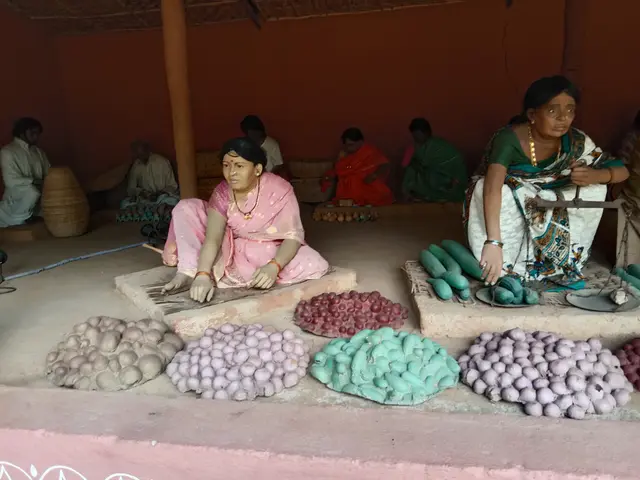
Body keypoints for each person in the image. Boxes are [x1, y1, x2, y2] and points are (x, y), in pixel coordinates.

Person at [464, 75, 629, 287]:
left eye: (570, 110)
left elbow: (621, 171)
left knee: (595, 188)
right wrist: (493, 242)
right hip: (511, 198)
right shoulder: (509, 139)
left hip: (550, 196)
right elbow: (492, 188)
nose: (563, 118)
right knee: (488, 189)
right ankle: (508, 262)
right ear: (532, 114)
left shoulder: (577, 141)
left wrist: (595, 175)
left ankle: (563, 262)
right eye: (553, 111)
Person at [161, 137, 329, 303]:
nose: (231, 173)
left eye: (239, 166)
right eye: (226, 166)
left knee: (311, 261)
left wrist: (274, 266)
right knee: (186, 207)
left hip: (266, 247)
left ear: (257, 169)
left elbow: (293, 236)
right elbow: (213, 239)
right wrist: (202, 274)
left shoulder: (279, 189)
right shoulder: (222, 193)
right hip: (230, 244)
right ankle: (190, 271)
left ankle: (238, 270)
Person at [322, 128, 394, 206]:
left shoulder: (370, 152)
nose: (348, 148)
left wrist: (374, 175)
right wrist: (330, 175)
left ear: (360, 142)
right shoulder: (345, 154)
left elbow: (385, 165)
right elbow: (340, 170)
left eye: (351, 145)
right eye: (346, 145)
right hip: (347, 193)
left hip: (368, 189)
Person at [401, 118, 467, 202]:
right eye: (414, 136)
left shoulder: (440, 146)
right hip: (426, 183)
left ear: (427, 133)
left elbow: (455, 161)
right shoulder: (414, 148)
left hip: (445, 181)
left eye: (418, 135)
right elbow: (405, 166)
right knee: (411, 171)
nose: (416, 139)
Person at [0, 117, 50, 228]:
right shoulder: (7, 151)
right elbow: (10, 181)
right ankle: (21, 218)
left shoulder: (39, 152)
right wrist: (33, 181)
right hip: (18, 198)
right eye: (32, 132)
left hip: (39, 197)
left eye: (38, 133)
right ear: (22, 133)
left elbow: (49, 173)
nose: (36, 136)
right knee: (31, 191)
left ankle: (33, 215)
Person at [116, 141, 179, 224]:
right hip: (144, 199)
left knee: (173, 201)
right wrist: (141, 193)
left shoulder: (162, 162)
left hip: (161, 197)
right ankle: (157, 213)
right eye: (138, 155)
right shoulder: (136, 165)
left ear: (148, 151)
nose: (140, 157)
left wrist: (159, 193)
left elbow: (172, 185)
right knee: (124, 203)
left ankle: (150, 213)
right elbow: (131, 188)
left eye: (142, 154)